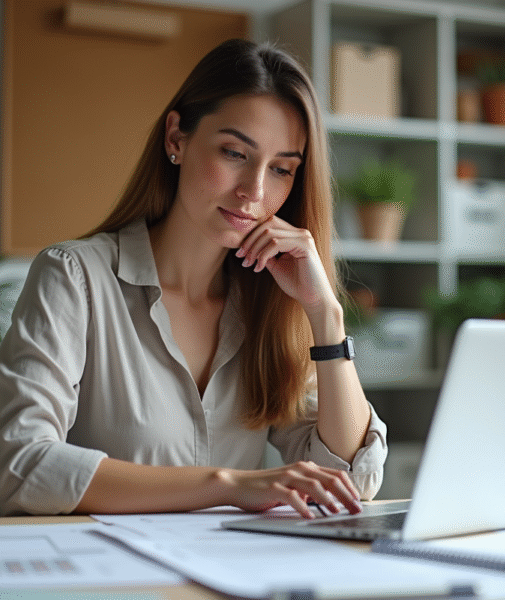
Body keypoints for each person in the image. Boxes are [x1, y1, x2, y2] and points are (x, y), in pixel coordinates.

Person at [0, 39, 387, 517]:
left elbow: (352, 480)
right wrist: (226, 485)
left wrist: (325, 316)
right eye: (233, 153)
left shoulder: (271, 305)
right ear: (176, 139)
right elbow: (19, 463)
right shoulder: (74, 277)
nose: (255, 192)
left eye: (282, 169)